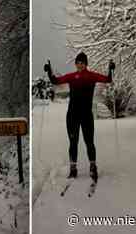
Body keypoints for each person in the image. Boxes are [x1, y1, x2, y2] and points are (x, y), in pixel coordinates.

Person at [44, 52, 115, 182]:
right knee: (73, 142)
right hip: (72, 115)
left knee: (89, 142)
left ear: (86, 64)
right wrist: (49, 71)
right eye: (78, 62)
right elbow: (55, 81)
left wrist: (110, 69)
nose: (80, 64)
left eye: (82, 62)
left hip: (86, 115)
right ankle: (73, 169)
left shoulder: (92, 76)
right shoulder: (71, 76)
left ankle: (93, 167)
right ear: (75, 64)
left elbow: (108, 80)